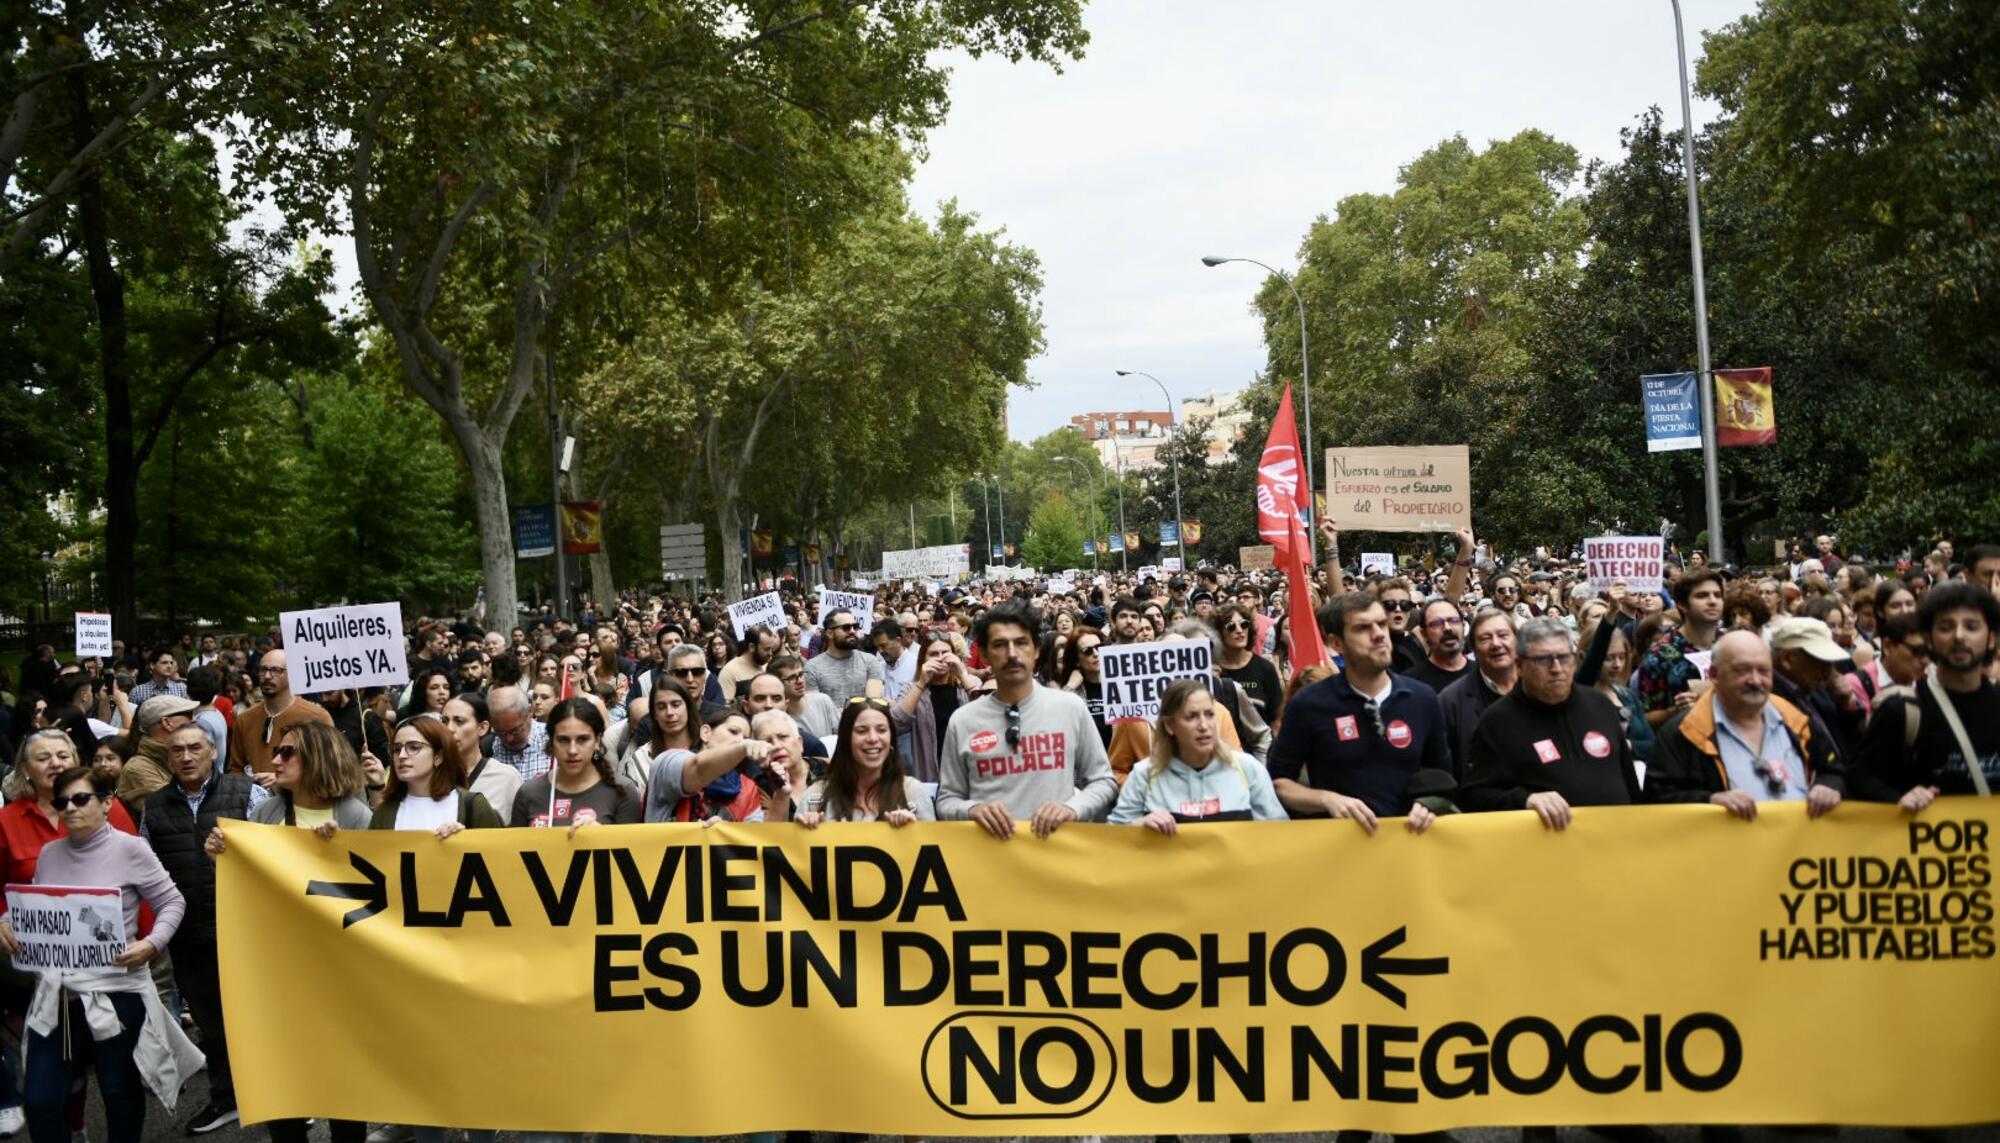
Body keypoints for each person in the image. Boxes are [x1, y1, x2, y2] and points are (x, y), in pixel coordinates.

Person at [0, 766, 200, 1143]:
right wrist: (8, 922)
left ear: (107, 802)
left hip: (116, 990)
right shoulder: (49, 853)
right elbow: (42, 911)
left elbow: (172, 901)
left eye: (80, 799)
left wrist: (151, 943)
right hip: (58, 995)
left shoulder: (131, 849)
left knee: (118, 1089)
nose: (70, 808)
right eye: (62, 802)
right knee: (41, 1098)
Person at [140, 723, 265, 1135]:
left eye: (195, 748)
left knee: (260, 1017)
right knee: (212, 1025)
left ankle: (283, 1099)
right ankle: (226, 1099)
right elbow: (146, 870)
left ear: (213, 751)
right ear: (168, 757)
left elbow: (272, 856)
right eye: (177, 750)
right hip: (189, 936)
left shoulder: (248, 793)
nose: (187, 756)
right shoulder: (153, 807)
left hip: (246, 932)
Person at [1266, 594, 1444, 834]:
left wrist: (1429, 804)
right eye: (1362, 628)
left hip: (1410, 847)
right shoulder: (1309, 704)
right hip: (1341, 852)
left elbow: (1443, 776)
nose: (1379, 634)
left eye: (1381, 624)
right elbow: (1279, 783)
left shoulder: (1422, 698)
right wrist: (1326, 800)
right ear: (1337, 643)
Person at [936, 601, 1116, 839]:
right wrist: (972, 810)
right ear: (984, 654)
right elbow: (947, 800)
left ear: (1037, 650)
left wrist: (1073, 809)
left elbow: (1103, 781)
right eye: (1000, 645)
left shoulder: (1070, 707)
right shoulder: (963, 720)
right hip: (989, 862)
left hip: (1058, 857)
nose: (1012, 654)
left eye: (1021, 642)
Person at [1459, 618, 1642, 825]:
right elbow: (1475, 796)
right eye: (1543, 660)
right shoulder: (1498, 721)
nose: (1556, 668)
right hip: (1549, 850)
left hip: (1616, 842)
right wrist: (1525, 799)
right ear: (1520, 665)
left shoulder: (1599, 704)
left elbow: (1629, 780)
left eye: (1564, 658)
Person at [1648, 630, 1845, 818]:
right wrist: (1709, 801)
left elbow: (1833, 768)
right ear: (1714, 675)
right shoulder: (1684, 731)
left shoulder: (1795, 719)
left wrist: (1828, 785)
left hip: (1794, 849)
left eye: (1763, 671)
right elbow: (1657, 799)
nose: (1755, 680)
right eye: (1742, 670)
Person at [1854, 582, 2000, 807]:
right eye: (1946, 627)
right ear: (1929, 639)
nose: (1959, 636)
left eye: (1972, 627)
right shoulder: (1903, 710)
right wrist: (1896, 797)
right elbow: (1860, 779)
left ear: (1991, 639)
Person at [1108, 678, 1285, 829]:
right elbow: (1113, 841)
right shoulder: (1144, 775)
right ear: (1169, 725)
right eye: (1191, 717)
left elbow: (1278, 834)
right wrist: (1138, 826)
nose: (1203, 725)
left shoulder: (1248, 769)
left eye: (1209, 714)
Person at [794, 698, 935, 826]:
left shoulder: (913, 794)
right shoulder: (814, 798)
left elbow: (934, 851)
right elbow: (794, 853)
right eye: (862, 731)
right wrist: (803, 832)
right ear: (846, 740)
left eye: (881, 730)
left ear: (891, 739)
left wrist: (914, 831)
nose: (873, 738)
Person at [514, 699, 643, 830]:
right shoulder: (528, 793)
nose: (572, 750)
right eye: (563, 740)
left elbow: (631, 847)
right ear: (552, 742)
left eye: (582, 739)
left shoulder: (623, 791)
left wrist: (603, 838)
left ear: (597, 741)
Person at [642, 706, 780, 824]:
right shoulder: (669, 761)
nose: (740, 740)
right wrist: (743, 748)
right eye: (733, 731)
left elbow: (754, 841)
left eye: (745, 738)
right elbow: (698, 770)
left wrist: (726, 832)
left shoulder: (748, 788)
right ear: (706, 733)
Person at [369, 716, 503, 833]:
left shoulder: (472, 806)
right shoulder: (384, 812)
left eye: (414, 747)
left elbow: (497, 857)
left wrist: (463, 841)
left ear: (438, 756)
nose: (402, 755)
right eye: (396, 749)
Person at [1636, 568, 1726, 729]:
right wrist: (1675, 711)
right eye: (1702, 595)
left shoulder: (1734, 645)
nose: (1713, 601)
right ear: (1682, 605)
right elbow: (1645, 718)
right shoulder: (1660, 654)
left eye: (1717, 595)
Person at [1436, 608, 1519, 780]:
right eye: (1485, 638)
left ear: (1517, 640)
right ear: (1473, 648)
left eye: (1503, 635)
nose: (1496, 644)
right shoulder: (1450, 701)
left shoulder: (1541, 688)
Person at [227, 650, 332, 779]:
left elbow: (329, 768)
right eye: (263, 670)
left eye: (276, 670)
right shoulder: (244, 719)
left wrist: (281, 780)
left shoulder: (316, 717)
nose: (267, 676)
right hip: (254, 797)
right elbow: (236, 768)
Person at [890, 633, 976, 783]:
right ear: (923, 658)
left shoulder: (969, 683)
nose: (941, 658)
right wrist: (921, 683)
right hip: (931, 776)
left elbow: (988, 714)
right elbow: (896, 723)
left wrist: (962, 674)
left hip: (968, 773)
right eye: (933, 654)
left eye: (945, 653)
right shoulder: (912, 689)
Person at [441, 694, 521, 826]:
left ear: (482, 728)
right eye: (444, 721)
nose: (449, 729)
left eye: (459, 721)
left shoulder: (506, 778)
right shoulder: (429, 776)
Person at [1214, 603, 1282, 729]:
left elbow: (1277, 718)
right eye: (1231, 626)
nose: (1239, 630)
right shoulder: (1213, 671)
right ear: (1219, 633)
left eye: (1244, 624)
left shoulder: (1265, 668)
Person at [803, 609, 887, 706]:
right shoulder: (812, 667)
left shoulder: (870, 661)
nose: (852, 631)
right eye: (846, 627)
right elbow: (816, 710)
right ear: (830, 633)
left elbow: (873, 704)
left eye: (855, 627)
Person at [1404, 599, 1474, 693]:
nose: (1447, 628)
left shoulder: (1485, 672)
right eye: (1437, 623)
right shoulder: (1409, 683)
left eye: (1453, 620)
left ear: (1463, 626)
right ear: (1424, 634)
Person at [487, 685, 551, 780]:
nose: (509, 739)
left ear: (530, 711)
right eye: (501, 733)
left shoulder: (551, 739)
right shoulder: (490, 749)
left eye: (515, 730)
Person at [771, 654, 840, 740]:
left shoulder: (823, 701)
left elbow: (842, 735)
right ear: (777, 683)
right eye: (792, 678)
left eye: (801, 674)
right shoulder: (776, 719)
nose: (799, 681)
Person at [717, 625, 779, 701]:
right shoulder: (729, 672)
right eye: (766, 649)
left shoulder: (768, 666)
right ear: (752, 647)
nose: (770, 653)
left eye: (771, 649)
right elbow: (725, 708)